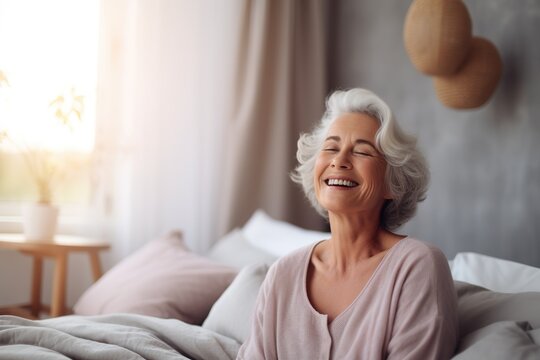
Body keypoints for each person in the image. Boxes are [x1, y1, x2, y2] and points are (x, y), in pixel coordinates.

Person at [237, 88, 458, 359]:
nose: (339, 161)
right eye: (330, 148)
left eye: (362, 152)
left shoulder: (418, 266)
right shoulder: (281, 275)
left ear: (392, 183)